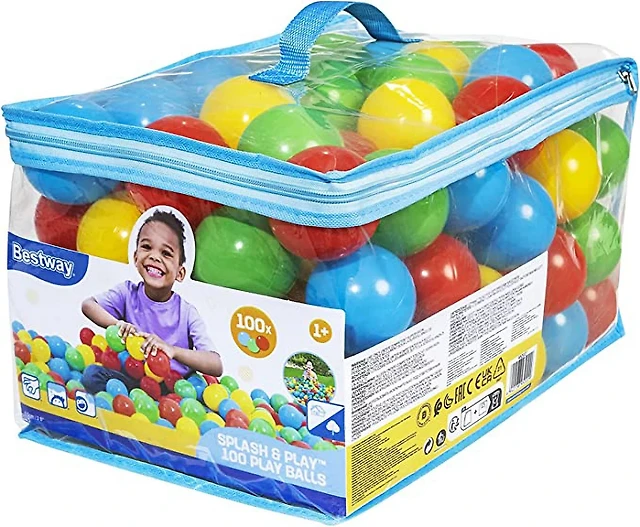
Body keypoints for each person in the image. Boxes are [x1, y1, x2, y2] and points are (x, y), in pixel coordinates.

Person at [81, 210, 222, 393]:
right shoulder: (127, 292)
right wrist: (118, 324)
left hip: (174, 387)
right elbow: (88, 305)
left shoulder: (186, 312)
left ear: (180, 273)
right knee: (91, 375)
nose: (155, 257)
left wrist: (172, 350)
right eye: (147, 247)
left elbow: (216, 364)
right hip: (133, 377)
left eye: (166, 253)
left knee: (194, 396)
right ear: (135, 257)